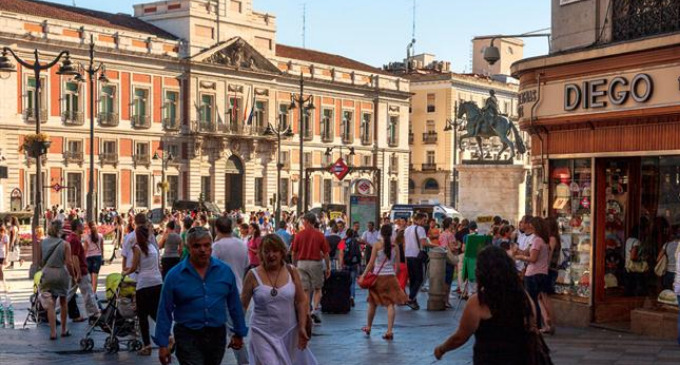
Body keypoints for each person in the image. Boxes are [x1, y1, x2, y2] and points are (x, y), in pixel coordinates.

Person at [155, 226, 247, 365]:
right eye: (197, 246)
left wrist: (239, 332)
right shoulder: (174, 276)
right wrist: (163, 344)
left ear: (211, 246)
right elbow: (164, 310)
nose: (202, 249)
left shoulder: (224, 272)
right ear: (188, 247)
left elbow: (234, 305)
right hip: (187, 335)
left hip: (216, 335)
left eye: (206, 245)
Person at [434, 246, 533, 364]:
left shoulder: (478, 302)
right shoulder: (524, 296)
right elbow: (532, 325)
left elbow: (460, 337)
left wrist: (441, 349)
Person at [241, 234, 318, 365]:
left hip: (289, 332)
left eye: (275, 251)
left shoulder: (291, 271)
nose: (271, 255)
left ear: (282, 252)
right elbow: (243, 305)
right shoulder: (252, 275)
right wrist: (238, 332)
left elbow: (301, 300)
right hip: (261, 332)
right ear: (260, 254)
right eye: (266, 251)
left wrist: (302, 327)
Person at [360, 224, 408, 340]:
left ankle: (369, 327)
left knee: (372, 303)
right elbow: (397, 266)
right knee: (390, 304)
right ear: (392, 234)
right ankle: (389, 331)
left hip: (378, 277)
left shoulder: (377, 245)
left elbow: (371, 264)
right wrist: (393, 275)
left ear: (380, 233)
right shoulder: (395, 246)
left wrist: (363, 275)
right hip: (391, 277)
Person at [122, 225, 162, 356]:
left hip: (144, 284)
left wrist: (124, 272)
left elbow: (133, 268)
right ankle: (169, 336)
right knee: (155, 312)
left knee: (142, 315)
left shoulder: (138, 248)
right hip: (157, 282)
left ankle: (147, 345)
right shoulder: (153, 248)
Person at [290, 213, 330, 324]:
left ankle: (307, 312)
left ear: (307, 221)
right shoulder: (320, 235)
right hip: (315, 263)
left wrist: (294, 265)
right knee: (318, 289)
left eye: (303, 221)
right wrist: (328, 267)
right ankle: (315, 309)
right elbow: (326, 253)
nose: (302, 222)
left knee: (305, 290)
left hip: (302, 263)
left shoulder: (299, 235)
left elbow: (294, 252)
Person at [515, 217, 553, 334]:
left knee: (533, 301)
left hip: (533, 273)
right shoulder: (545, 241)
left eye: (532, 225)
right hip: (542, 273)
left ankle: (536, 325)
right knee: (539, 299)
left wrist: (520, 257)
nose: (530, 227)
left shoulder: (537, 240)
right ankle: (546, 322)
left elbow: (533, 258)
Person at [40, 220, 77, 340]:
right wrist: (73, 276)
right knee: (63, 301)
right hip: (61, 273)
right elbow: (69, 263)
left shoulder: (43, 242)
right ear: (61, 230)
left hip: (47, 272)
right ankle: (64, 329)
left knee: (50, 302)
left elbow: (40, 261)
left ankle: (52, 332)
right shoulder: (65, 244)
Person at [67, 219, 100, 322]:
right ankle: (93, 313)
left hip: (75, 271)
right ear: (77, 227)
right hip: (80, 270)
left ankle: (52, 311)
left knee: (69, 294)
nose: (84, 227)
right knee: (87, 292)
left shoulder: (71, 238)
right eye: (82, 226)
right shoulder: (75, 240)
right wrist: (78, 273)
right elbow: (74, 257)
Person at [404, 213, 436, 310]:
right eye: (424, 220)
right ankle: (410, 298)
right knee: (420, 279)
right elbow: (424, 243)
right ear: (419, 219)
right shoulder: (420, 229)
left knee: (413, 279)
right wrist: (436, 245)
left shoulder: (407, 229)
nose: (424, 222)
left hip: (408, 256)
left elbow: (405, 244)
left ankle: (413, 300)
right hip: (417, 256)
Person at [212, 217, 249, 292]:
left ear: (216, 229)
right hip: (239, 289)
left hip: (223, 290)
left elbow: (212, 268)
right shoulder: (242, 244)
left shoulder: (216, 246)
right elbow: (246, 265)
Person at [338, 229, 361, 307]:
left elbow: (341, 253)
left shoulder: (342, 241)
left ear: (346, 234)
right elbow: (359, 253)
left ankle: (346, 297)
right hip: (354, 264)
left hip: (346, 264)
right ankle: (352, 296)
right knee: (353, 282)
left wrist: (341, 264)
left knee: (345, 282)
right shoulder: (356, 242)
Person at [439, 217, 457, 307]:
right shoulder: (450, 235)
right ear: (450, 224)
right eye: (452, 224)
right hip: (449, 258)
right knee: (448, 280)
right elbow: (453, 248)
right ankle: (446, 300)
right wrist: (457, 246)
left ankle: (443, 299)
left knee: (444, 279)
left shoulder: (441, 234)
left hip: (442, 257)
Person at [84, 221, 104, 294]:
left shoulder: (86, 237)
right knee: (95, 277)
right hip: (97, 257)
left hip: (88, 257)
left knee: (89, 278)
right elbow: (102, 248)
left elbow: (85, 249)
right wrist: (102, 257)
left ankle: (90, 293)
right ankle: (94, 294)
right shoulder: (100, 236)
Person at [0, 226, 8, 293]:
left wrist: (6, 257)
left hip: (2, 255)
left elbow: (7, 247)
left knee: (1, 270)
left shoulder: (5, 236)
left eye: (2, 231)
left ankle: (5, 286)